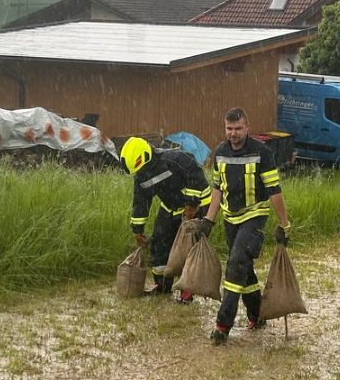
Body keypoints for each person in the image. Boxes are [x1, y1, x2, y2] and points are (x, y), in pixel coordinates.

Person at [193, 108, 290, 345]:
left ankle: (222, 325)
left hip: (254, 218)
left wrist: (285, 225)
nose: (233, 133)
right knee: (244, 269)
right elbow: (217, 189)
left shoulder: (262, 152)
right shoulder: (220, 151)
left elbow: (274, 191)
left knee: (235, 264)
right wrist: (208, 220)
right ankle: (257, 316)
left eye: (237, 128)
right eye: (229, 129)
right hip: (230, 219)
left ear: (247, 127)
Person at [120, 137, 211, 303]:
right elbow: (140, 202)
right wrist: (137, 230)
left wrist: (191, 204)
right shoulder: (141, 176)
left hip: (198, 205)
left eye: (141, 169)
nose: (140, 174)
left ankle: (187, 289)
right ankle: (162, 285)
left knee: (188, 247)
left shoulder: (176, 159)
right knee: (159, 242)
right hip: (170, 206)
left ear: (147, 158)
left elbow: (196, 178)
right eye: (138, 171)